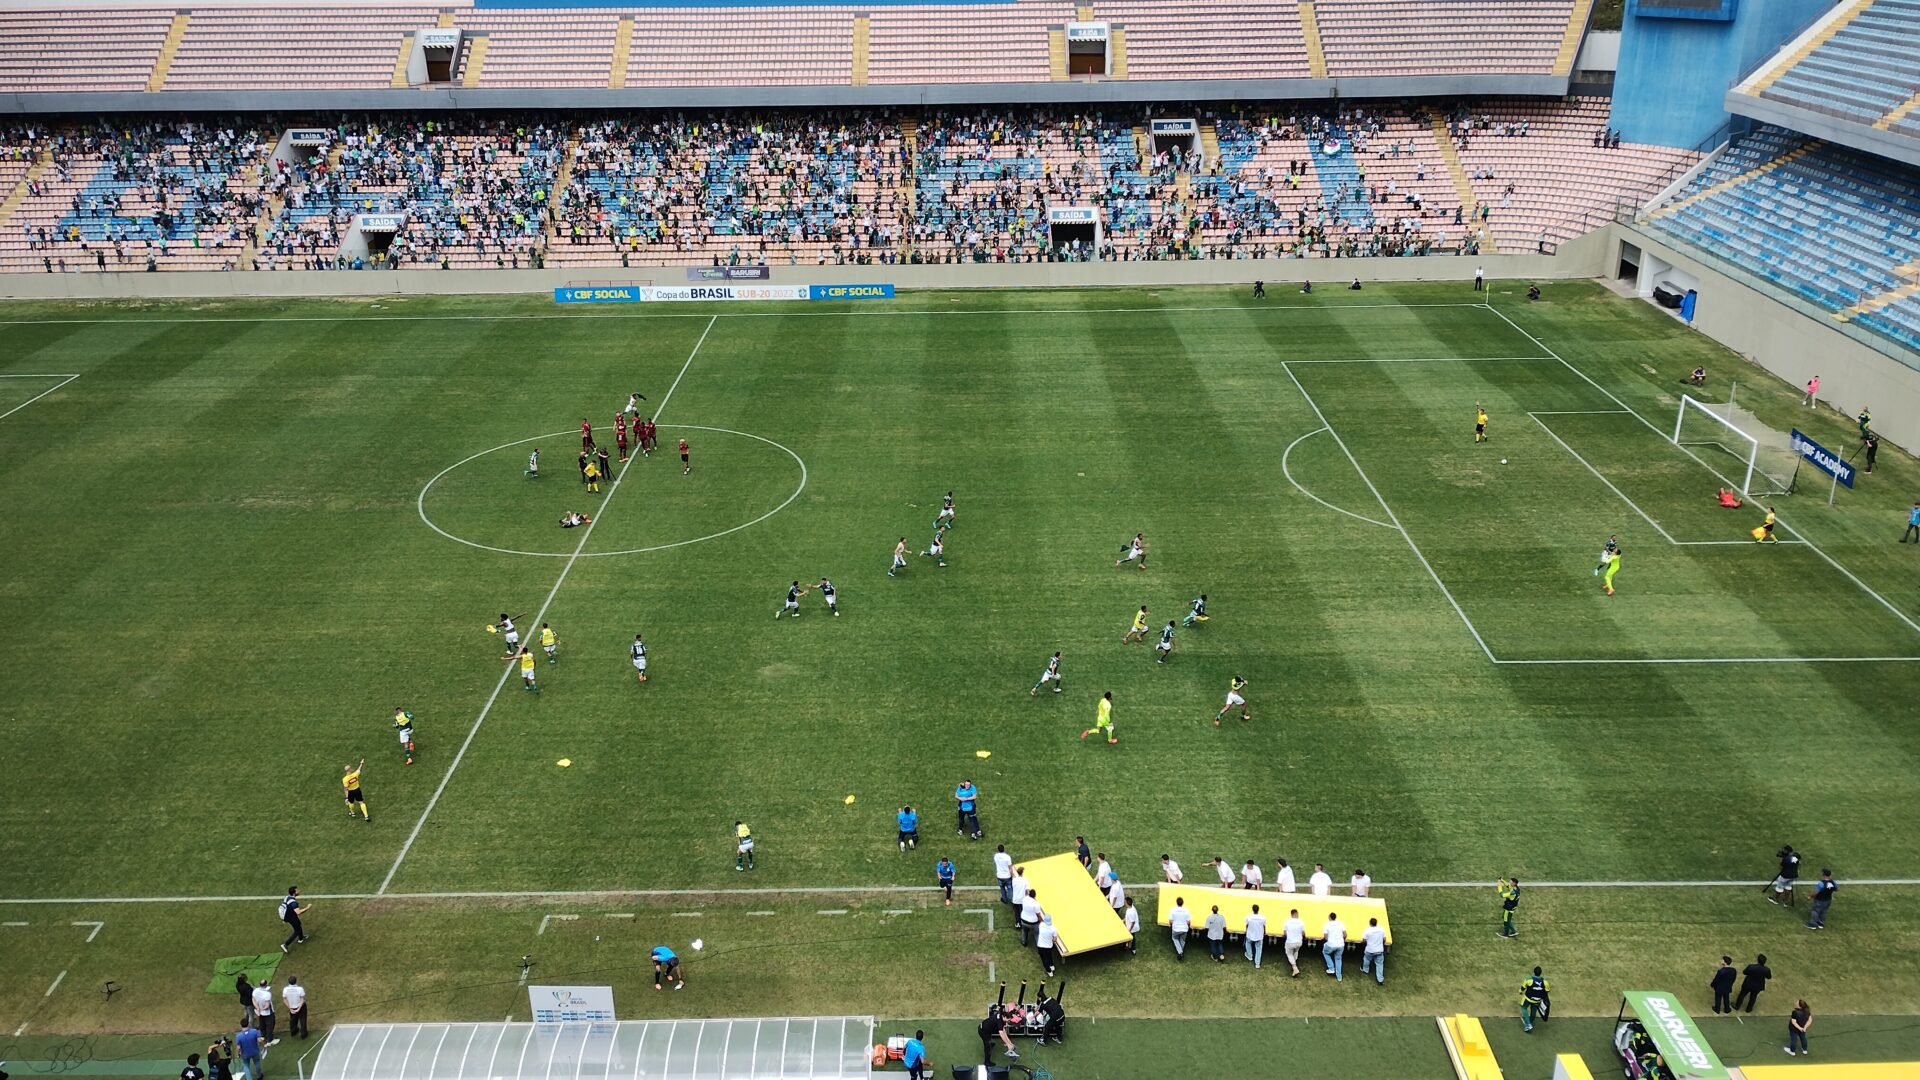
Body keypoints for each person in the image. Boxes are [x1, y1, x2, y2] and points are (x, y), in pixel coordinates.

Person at [279, 887, 309, 953]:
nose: (299, 890)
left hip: (289, 914)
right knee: (297, 930)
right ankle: (285, 944)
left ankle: (301, 938)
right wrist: (307, 908)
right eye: (297, 890)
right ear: (294, 893)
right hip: (289, 916)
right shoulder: (294, 903)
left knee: (298, 924)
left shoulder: (287, 897)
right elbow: (298, 912)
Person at [1520, 966, 1550, 1031]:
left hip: (1528, 998)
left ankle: (1528, 1024)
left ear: (1534, 972)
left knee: (1523, 1007)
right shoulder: (1545, 982)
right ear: (1540, 973)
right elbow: (1547, 991)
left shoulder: (1529, 979)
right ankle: (1530, 1022)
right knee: (1533, 1010)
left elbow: (1523, 987)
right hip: (1537, 1000)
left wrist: (1520, 991)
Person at [1361, 918, 1387, 984]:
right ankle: (1380, 979)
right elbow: (1384, 939)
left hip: (1370, 950)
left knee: (1366, 959)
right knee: (1379, 964)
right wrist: (1382, 944)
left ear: (1370, 923)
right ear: (1376, 923)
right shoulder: (1381, 930)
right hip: (1379, 950)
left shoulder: (1367, 930)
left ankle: (1365, 970)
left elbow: (1364, 940)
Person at [252, 977, 277, 1044]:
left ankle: (263, 1036)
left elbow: (253, 1000)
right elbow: (267, 1006)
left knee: (262, 1024)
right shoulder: (267, 994)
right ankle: (269, 1039)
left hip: (259, 1012)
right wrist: (261, 1009)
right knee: (270, 1025)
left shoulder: (255, 991)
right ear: (266, 985)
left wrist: (258, 1008)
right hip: (267, 1013)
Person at [1322, 912, 1347, 980]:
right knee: (1338, 958)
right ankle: (1339, 976)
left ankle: (1331, 968)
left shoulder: (1326, 925)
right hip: (1341, 945)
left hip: (1331, 944)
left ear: (1329, 917)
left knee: (1325, 953)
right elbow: (1345, 935)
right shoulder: (1341, 924)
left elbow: (1326, 937)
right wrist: (1341, 940)